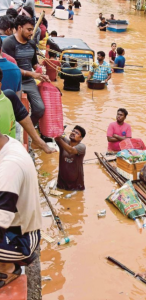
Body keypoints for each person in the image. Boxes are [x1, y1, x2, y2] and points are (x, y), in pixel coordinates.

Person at [0, 131, 42, 288]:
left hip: (20, 239)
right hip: (20, 227)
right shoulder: (8, 143)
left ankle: (7, 267)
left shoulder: (10, 167)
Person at [2, 15, 50, 126]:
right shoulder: (9, 43)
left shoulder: (32, 43)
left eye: (32, 30)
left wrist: (40, 71)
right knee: (17, 110)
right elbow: (11, 68)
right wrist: (32, 74)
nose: (31, 32)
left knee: (39, 109)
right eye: (29, 29)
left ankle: (29, 128)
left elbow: (34, 63)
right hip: (15, 81)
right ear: (19, 28)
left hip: (29, 81)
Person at [55, 126, 86, 191]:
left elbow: (70, 150)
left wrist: (59, 139)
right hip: (61, 184)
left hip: (76, 186)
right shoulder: (64, 142)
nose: (73, 133)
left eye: (77, 133)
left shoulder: (82, 147)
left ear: (81, 138)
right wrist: (59, 132)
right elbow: (56, 137)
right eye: (73, 131)